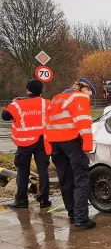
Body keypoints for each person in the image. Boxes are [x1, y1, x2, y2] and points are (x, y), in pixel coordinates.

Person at [44, 78, 96, 229]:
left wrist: (47, 145)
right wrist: (87, 144)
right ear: (85, 89)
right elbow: (83, 122)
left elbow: (47, 123)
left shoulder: (56, 98)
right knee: (81, 179)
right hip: (71, 142)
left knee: (65, 180)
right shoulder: (79, 97)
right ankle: (81, 218)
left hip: (56, 144)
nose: (89, 97)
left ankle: (73, 215)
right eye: (90, 93)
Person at [1, 79, 51, 209]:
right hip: (42, 141)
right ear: (40, 91)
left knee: (23, 171)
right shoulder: (46, 103)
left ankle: (21, 200)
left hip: (24, 143)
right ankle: (44, 199)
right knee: (43, 170)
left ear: (28, 90)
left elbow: (4, 116)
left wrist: (14, 101)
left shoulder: (17, 104)